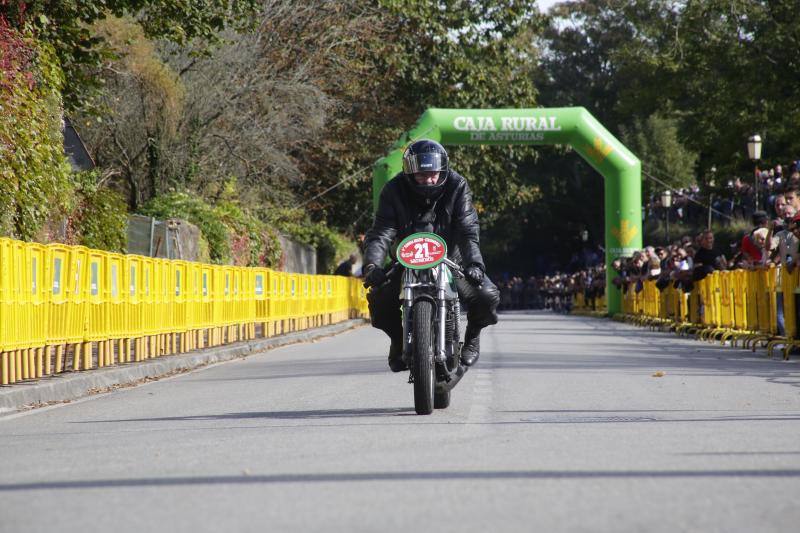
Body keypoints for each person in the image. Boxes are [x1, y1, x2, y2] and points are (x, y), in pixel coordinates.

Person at [362, 139, 500, 372]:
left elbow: (468, 230)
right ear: (409, 172)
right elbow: (381, 233)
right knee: (378, 300)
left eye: (433, 174)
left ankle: (473, 337)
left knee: (487, 296)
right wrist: (372, 266)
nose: (428, 180)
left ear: (442, 171)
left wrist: (475, 264)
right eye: (421, 175)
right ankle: (397, 341)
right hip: (407, 261)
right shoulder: (393, 190)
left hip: (451, 259)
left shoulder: (457, 185)